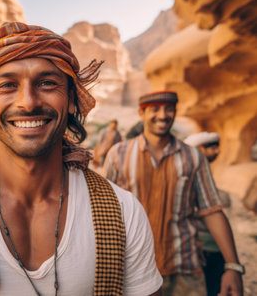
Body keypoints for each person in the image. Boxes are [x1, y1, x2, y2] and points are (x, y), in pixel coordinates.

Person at [0, 22, 163, 296]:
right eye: (8, 85)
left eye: (47, 83)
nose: (28, 102)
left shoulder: (122, 213)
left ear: (72, 99)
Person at [102, 91, 244, 296]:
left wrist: (233, 266)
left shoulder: (193, 157)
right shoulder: (118, 154)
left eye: (169, 109)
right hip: (132, 272)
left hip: (184, 270)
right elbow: (104, 212)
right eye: (155, 109)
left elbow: (212, 210)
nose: (163, 115)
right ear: (142, 113)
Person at [184, 132, 232, 296]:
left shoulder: (206, 171)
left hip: (216, 247)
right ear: (198, 150)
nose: (217, 152)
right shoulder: (186, 174)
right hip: (197, 248)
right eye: (212, 148)